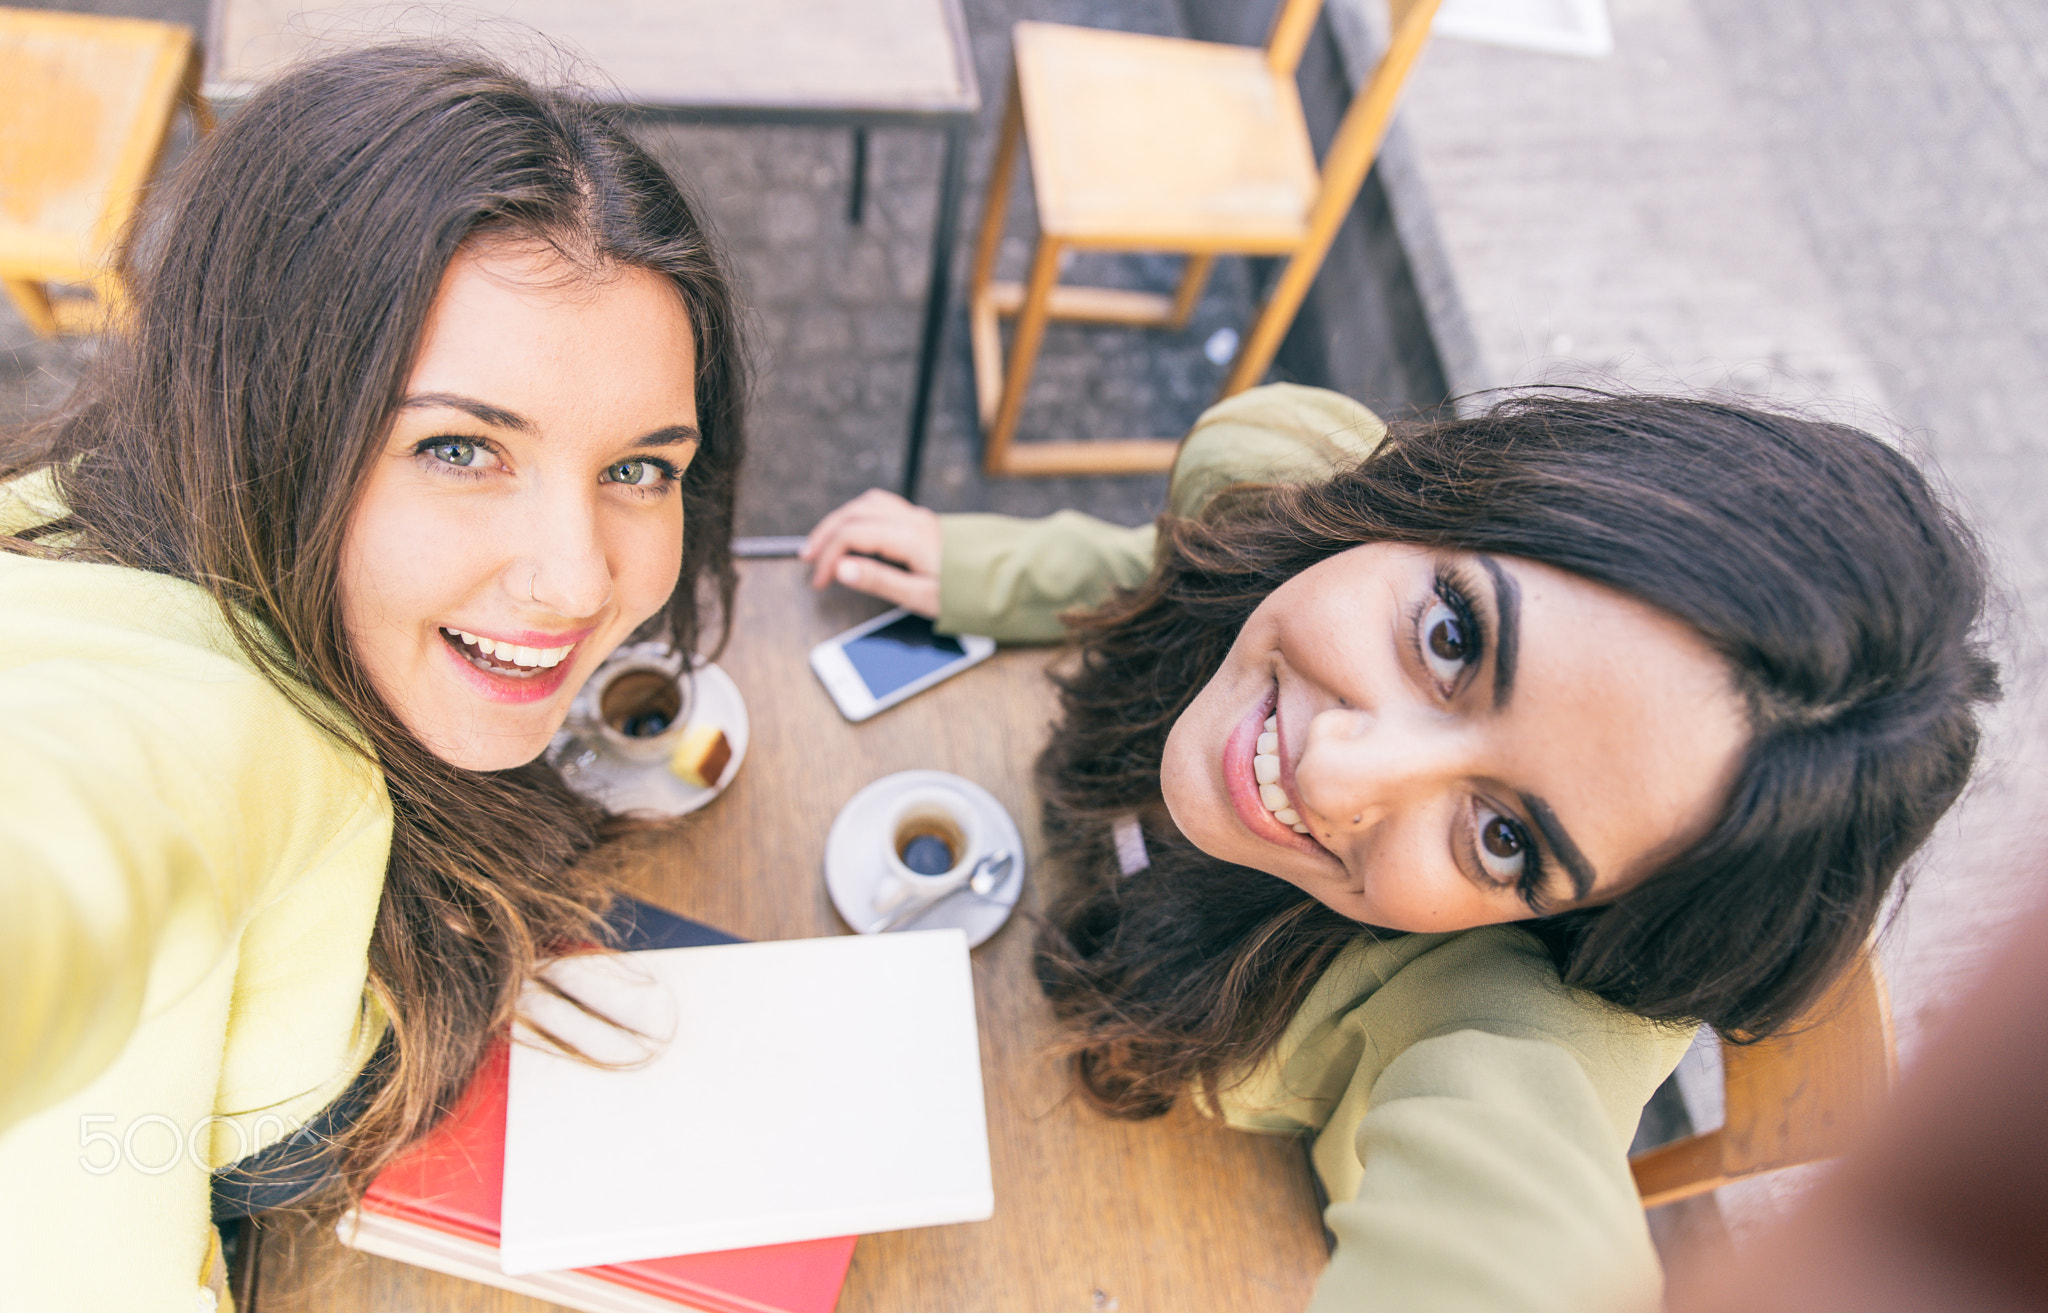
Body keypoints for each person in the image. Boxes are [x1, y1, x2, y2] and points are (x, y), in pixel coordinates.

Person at [802, 383, 1998, 1311]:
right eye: (1448, 634)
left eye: (1499, 835)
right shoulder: (1275, 478)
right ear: (1449, 495)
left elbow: (1519, 1234)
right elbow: (1175, 558)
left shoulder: (1496, 1017)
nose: (1336, 774)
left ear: (1568, 928)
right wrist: (994, 568)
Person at [0, 46, 745, 1310]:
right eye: (460, 447)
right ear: (267, 409)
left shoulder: (113, 487)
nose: (576, 581)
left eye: (639, 467)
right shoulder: (159, 750)